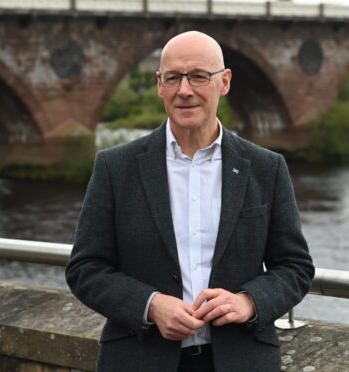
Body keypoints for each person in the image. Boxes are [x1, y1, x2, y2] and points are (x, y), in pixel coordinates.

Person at [65, 30, 314, 372]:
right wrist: (150, 306)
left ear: (224, 82)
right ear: (159, 84)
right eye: (173, 78)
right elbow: (85, 269)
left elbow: (295, 267)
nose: (185, 90)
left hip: (241, 360)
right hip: (139, 359)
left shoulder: (266, 168)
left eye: (198, 76)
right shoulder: (116, 167)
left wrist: (248, 302)